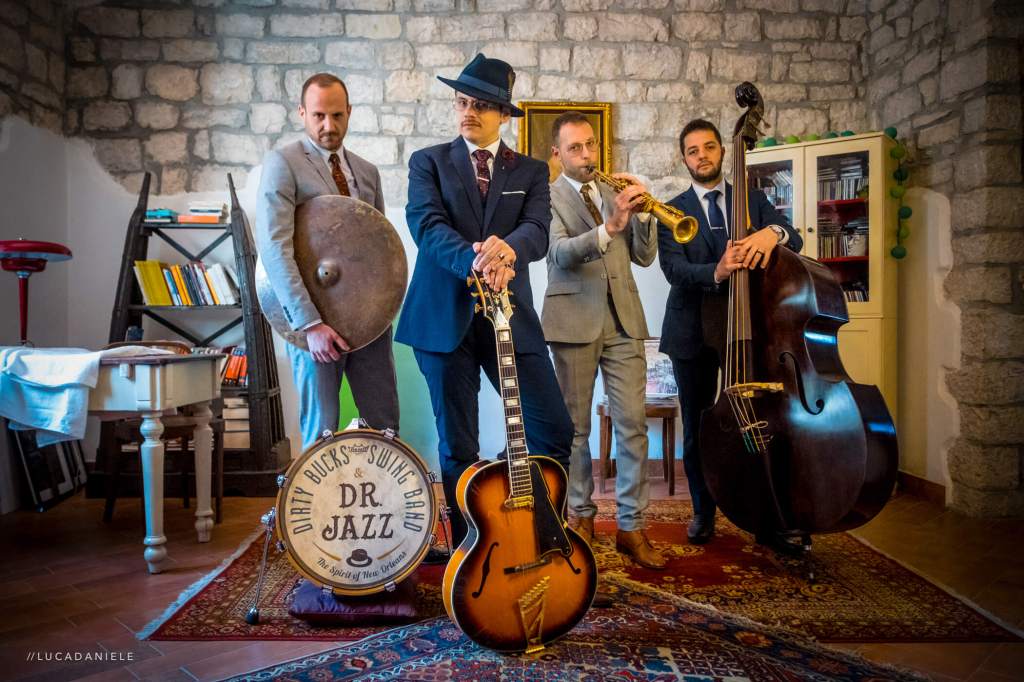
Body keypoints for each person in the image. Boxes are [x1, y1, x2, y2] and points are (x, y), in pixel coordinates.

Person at [395, 54, 574, 547]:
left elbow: (537, 229)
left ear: (502, 114)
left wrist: (509, 250)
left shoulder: (532, 171)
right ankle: (470, 551)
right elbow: (426, 225)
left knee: (553, 430)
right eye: (461, 102)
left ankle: (541, 536)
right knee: (459, 445)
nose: (468, 112)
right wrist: (478, 260)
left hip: (510, 319)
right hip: (442, 319)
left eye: (480, 104)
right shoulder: (428, 162)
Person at [658, 119, 802, 547]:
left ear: (722, 150)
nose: (701, 156)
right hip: (691, 330)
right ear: (684, 159)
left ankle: (766, 511)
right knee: (698, 425)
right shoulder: (671, 210)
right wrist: (717, 271)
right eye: (692, 150)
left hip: (750, 326)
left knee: (760, 419)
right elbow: (674, 270)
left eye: (708, 147)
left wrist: (772, 233)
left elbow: (793, 237)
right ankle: (703, 512)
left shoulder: (752, 200)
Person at [542, 111, 665, 570]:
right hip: (573, 322)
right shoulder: (546, 197)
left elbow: (644, 257)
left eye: (591, 144)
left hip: (624, 322)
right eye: (575, 147)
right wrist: (609, 227)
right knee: (576, 430)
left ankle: (632, 528)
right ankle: (581, 519)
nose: (586, 154)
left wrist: (645, 212)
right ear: (557, 153)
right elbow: (559, 253)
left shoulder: (614, 191)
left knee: (633, 425)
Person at [255, 73, 399, 451]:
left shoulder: (367, 172)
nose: (328, 126)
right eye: (319, 115)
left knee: (385, 431)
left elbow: (379, 251)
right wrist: (310, 324)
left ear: (349, 112)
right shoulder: (283, 163)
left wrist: (379, 315)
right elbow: (274, 248)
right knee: (322, 435)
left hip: (368, 325)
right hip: (313, 325)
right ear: (302, 113)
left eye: (337, 115)